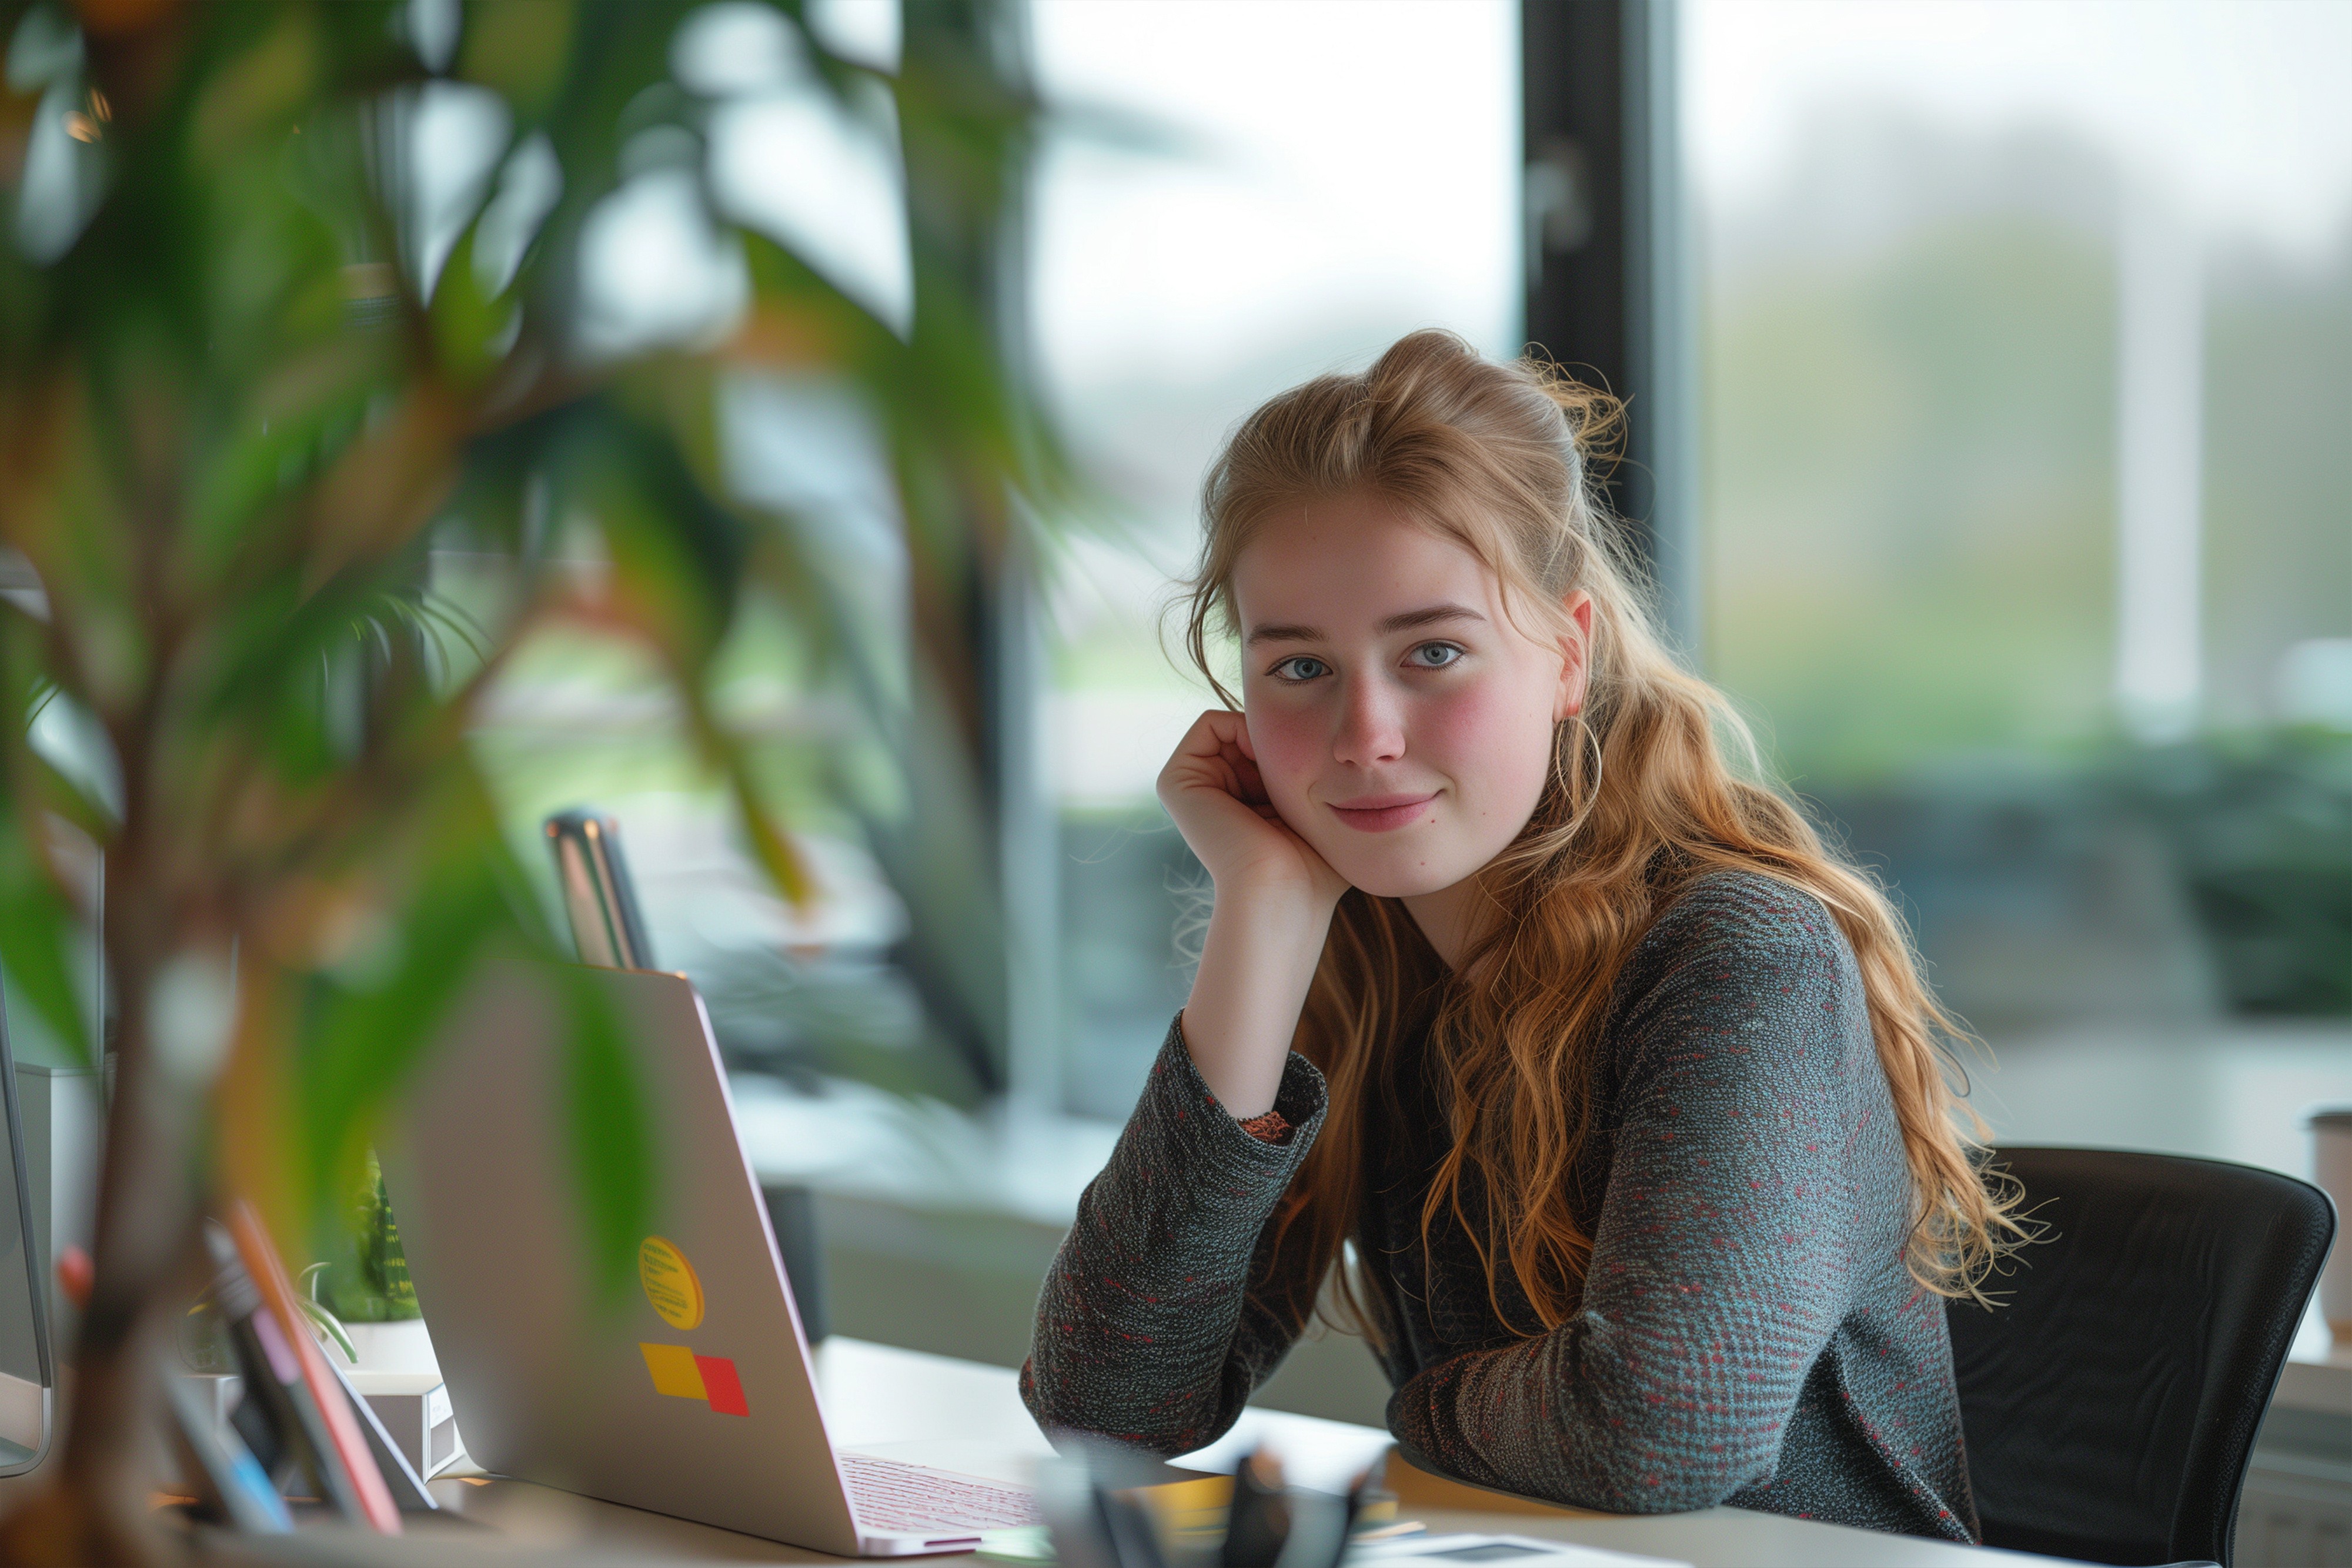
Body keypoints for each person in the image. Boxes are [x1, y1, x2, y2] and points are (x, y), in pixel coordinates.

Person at [1019, 330, 2026, 1543]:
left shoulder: (1739, 958)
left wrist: (1419, 1407)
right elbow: (1109, 1401)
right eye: (1297, 666)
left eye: (1431, 651)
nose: (1364, 733)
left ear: (1567, 652)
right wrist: (1262, 913)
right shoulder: (1364, 958)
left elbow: (1663, 1424)